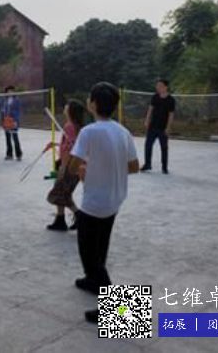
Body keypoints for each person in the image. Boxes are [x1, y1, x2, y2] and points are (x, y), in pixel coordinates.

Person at [66, 82, 139, 324]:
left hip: (94, 204)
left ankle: (122, 314)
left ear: (94, 104)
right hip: (114, 200)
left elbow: (72, 166)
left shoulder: (89, 132)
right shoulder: (123, 132)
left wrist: (85, 168)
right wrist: (105, 168)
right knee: (101, 246)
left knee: (90, 255)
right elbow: (134, 167)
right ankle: (92, 281)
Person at [45, 99, 87, 231]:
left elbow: (70, 148)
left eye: (66, 106)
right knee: (64, 193)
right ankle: (60, 219)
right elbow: (71, 145)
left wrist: (63, 167)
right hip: (75, 164)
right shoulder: (78, 127)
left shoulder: (70, 126)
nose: (64, 108)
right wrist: (56, 145)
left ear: (71, 111)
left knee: (59, 193)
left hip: (69, 165)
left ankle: (79, 216)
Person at [140, 79, 176, 174]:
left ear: (165, 87)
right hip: (153, 126)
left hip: (163, 127)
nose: (157, 87)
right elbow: (150, 109)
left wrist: (168, 127)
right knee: (148, 145)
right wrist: (147, 120)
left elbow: (171, 115)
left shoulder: (171, 100)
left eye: (160, 85)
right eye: (157, 85)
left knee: (164, 147)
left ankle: (164, 167)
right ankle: (147, 164)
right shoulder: (155, 97)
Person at [0, 85, 23, 161]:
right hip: (6, 120)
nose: (10, 93)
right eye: (8, 91)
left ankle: (19, 154)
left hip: (13, 120)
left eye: (11, 91)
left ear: (14, 92)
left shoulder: (17, 100)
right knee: (8, 138)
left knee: (15, 138)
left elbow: (18, 111)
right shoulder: (4, 99)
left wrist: (16, 121)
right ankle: (9, 154)